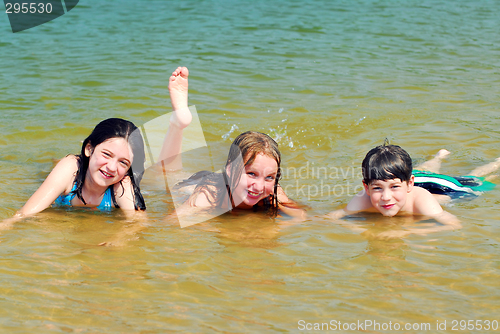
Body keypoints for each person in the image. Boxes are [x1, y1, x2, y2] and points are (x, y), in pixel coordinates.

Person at [5, 67, 192, 222]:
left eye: (123, 162)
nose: (111, 167)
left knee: (169, 180)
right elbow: (24, 213)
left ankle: (178, 125)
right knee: (58, 164)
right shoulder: (71, 170)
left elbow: (138, 224)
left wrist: (118, 241)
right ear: (88, 149)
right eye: (107, 154)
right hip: (73, 170)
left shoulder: (122, 183)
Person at [168, 69, 304, 220]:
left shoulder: (271, 191)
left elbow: (302, 215)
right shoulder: (208, 196)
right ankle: (177, 123)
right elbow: (170, 224)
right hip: (191, 187)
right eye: (252, 174)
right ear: (230, 170)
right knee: (169, 174)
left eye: (269, 177)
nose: (259, 186)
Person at [327, 144, 462, 237]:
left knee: (478, 181)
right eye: (377, 188)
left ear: (410, 184)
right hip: (395, 179)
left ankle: (439, 158)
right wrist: (368, 232)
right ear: (366, 188)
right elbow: (334, 218)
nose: (385, 197)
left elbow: (454, 224)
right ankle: (437, 158)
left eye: (393, 188)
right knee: (420, 171)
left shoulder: (422, 200)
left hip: (440, 186)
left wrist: (405, 232)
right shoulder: (363, 198)